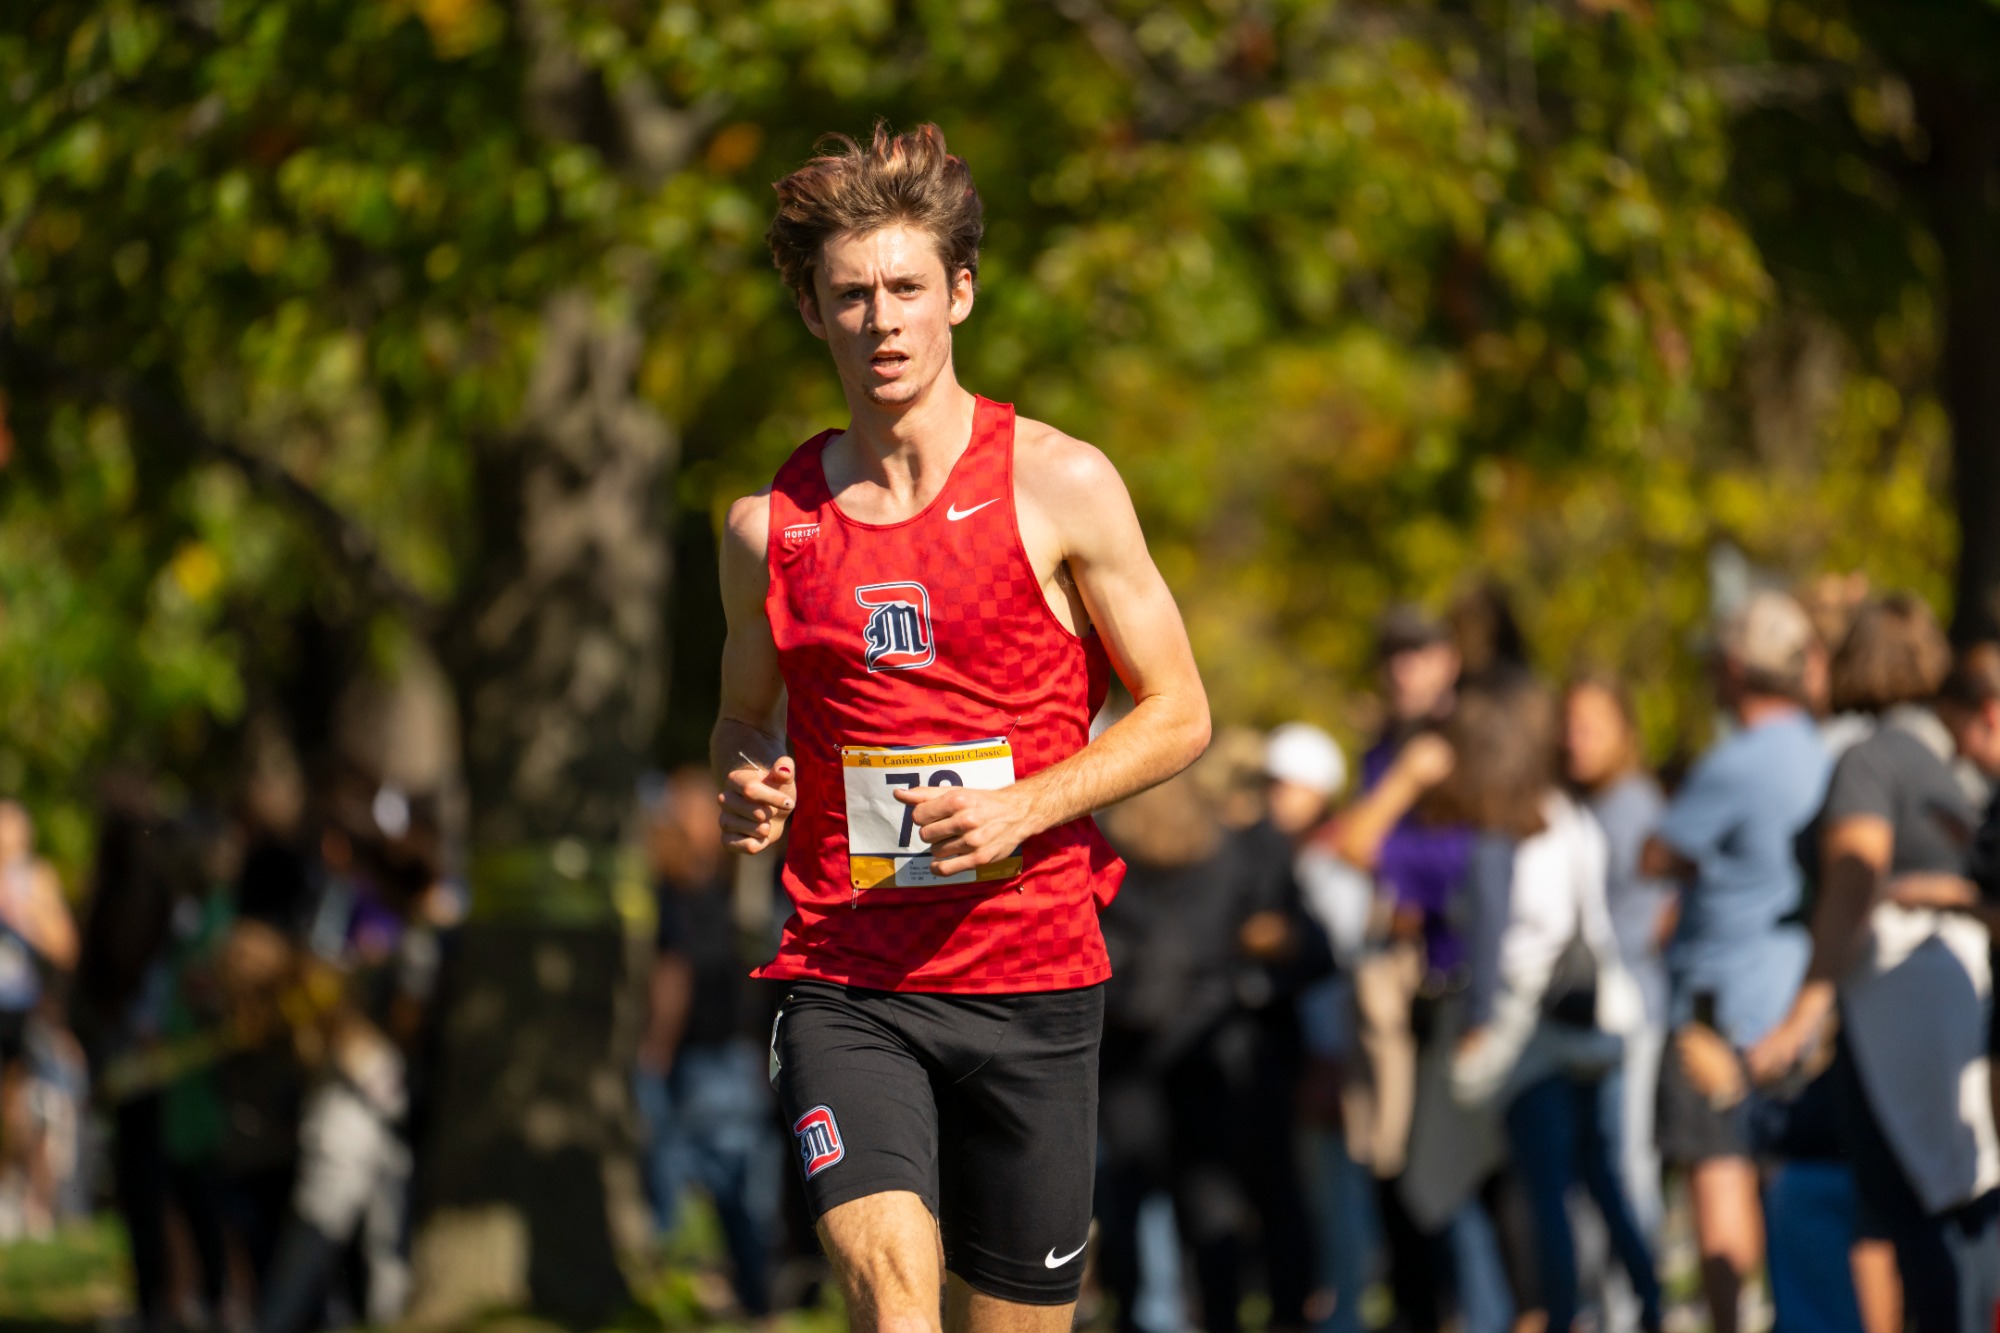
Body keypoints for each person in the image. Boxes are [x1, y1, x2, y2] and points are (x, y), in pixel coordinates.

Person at [712, 124, 1210, 1333]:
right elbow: (738, 719)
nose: (881, 321)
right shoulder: (766, 527)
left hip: (1031, 978)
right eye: (850, 295)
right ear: (811, 312)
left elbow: (1181, 711)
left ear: (959, 296)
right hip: (847, 977)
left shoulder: (1058, 482)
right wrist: (744, 779)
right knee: (894, 1300)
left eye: (906, 289)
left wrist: (1025, 803)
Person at [1749, 598, 2000, 1333]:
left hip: (1894, 1007)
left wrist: (1802, 1013)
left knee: (1923, 1219)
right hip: (1956, 997)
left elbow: (1853, 883)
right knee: (1964, 1207)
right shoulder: (1945, 761)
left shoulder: (1870, 759)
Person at [1641, 590, 1831, 1333]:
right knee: (1786, 1187)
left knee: (1720, 1181)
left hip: (1719, 1006)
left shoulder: (1738, 761)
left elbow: (1656, 854)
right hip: (1798, 1001)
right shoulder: (1822, 752)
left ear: (1734, 668)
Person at [1447, 678, 1661, 1333]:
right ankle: (1650, 1305)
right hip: (1592, 1018)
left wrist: (1476, 1026)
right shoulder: (1567, 813)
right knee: (1602, 1180)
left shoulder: (1500, 834)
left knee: (1547, 1195)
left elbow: (1492, 942)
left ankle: (1565, 1314)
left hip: (1530, 1030)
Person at [637, 766, 782, 1316]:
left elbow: (674, 975)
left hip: (716, 1058)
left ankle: (736, 1301)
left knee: (712, 1184)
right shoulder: (687, 888)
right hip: (708, 1056)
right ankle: (731, 1300)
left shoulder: (716, 887)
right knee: (713, 1186)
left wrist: (655, 1051)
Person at [1562, 675, 1671, 1236]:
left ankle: (1639, 1284)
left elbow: (1662, 909)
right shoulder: (1586, 804)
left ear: (1624, 732)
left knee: (1627, 1163)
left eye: (1590, 728)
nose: (1574, 740)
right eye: (1569, 726)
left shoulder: (1633, 804)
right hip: (1588, 1006)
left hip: (1627, 1004)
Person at [0, 801, 79, 1238]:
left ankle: (29, 1199)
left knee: (28, 1105)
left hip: (25, 1008)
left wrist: (22, 916)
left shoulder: (38, 880)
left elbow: (65, 947)